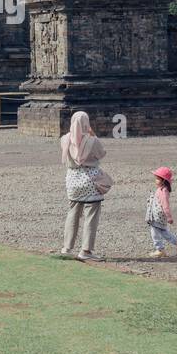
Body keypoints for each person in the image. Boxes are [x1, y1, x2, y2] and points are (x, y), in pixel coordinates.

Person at [59, 111, 109, 262]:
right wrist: (93, 134)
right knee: (91, 216)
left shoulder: (64, 139)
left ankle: (67, 248)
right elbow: (102, 154)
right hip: (90, 180)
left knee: (73, 213)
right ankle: (85, 250)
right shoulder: (92, 141)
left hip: (72, 180)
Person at [145, 167, 177, 258]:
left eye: (157, 179)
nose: (155, 180)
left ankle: (160, 250)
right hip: (157, 216)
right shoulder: (161, 189)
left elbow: (165, 205)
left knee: (155, 233)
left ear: (163, 181)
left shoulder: (163, 191)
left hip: (158, 217)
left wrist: (169, 217)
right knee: (164, 233)